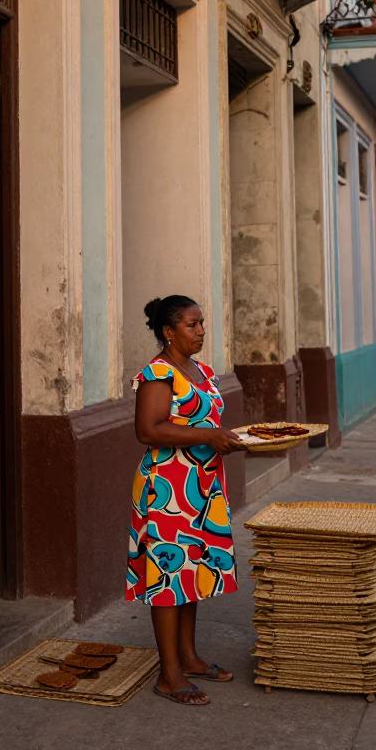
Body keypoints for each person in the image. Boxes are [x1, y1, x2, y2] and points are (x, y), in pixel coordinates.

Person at [127, 294, 244, 705]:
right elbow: (149, 430)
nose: (201, 331)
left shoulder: (201, 371)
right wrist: (209, 436)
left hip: (204, 485)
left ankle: (190, 657)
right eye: (193, 325)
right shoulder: (158, 374)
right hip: (167, 488)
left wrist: (226, 437)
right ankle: (169, 674)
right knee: (167, 577)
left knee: (192, 572)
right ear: (168, 331)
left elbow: (204, 421)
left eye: (202, 324)